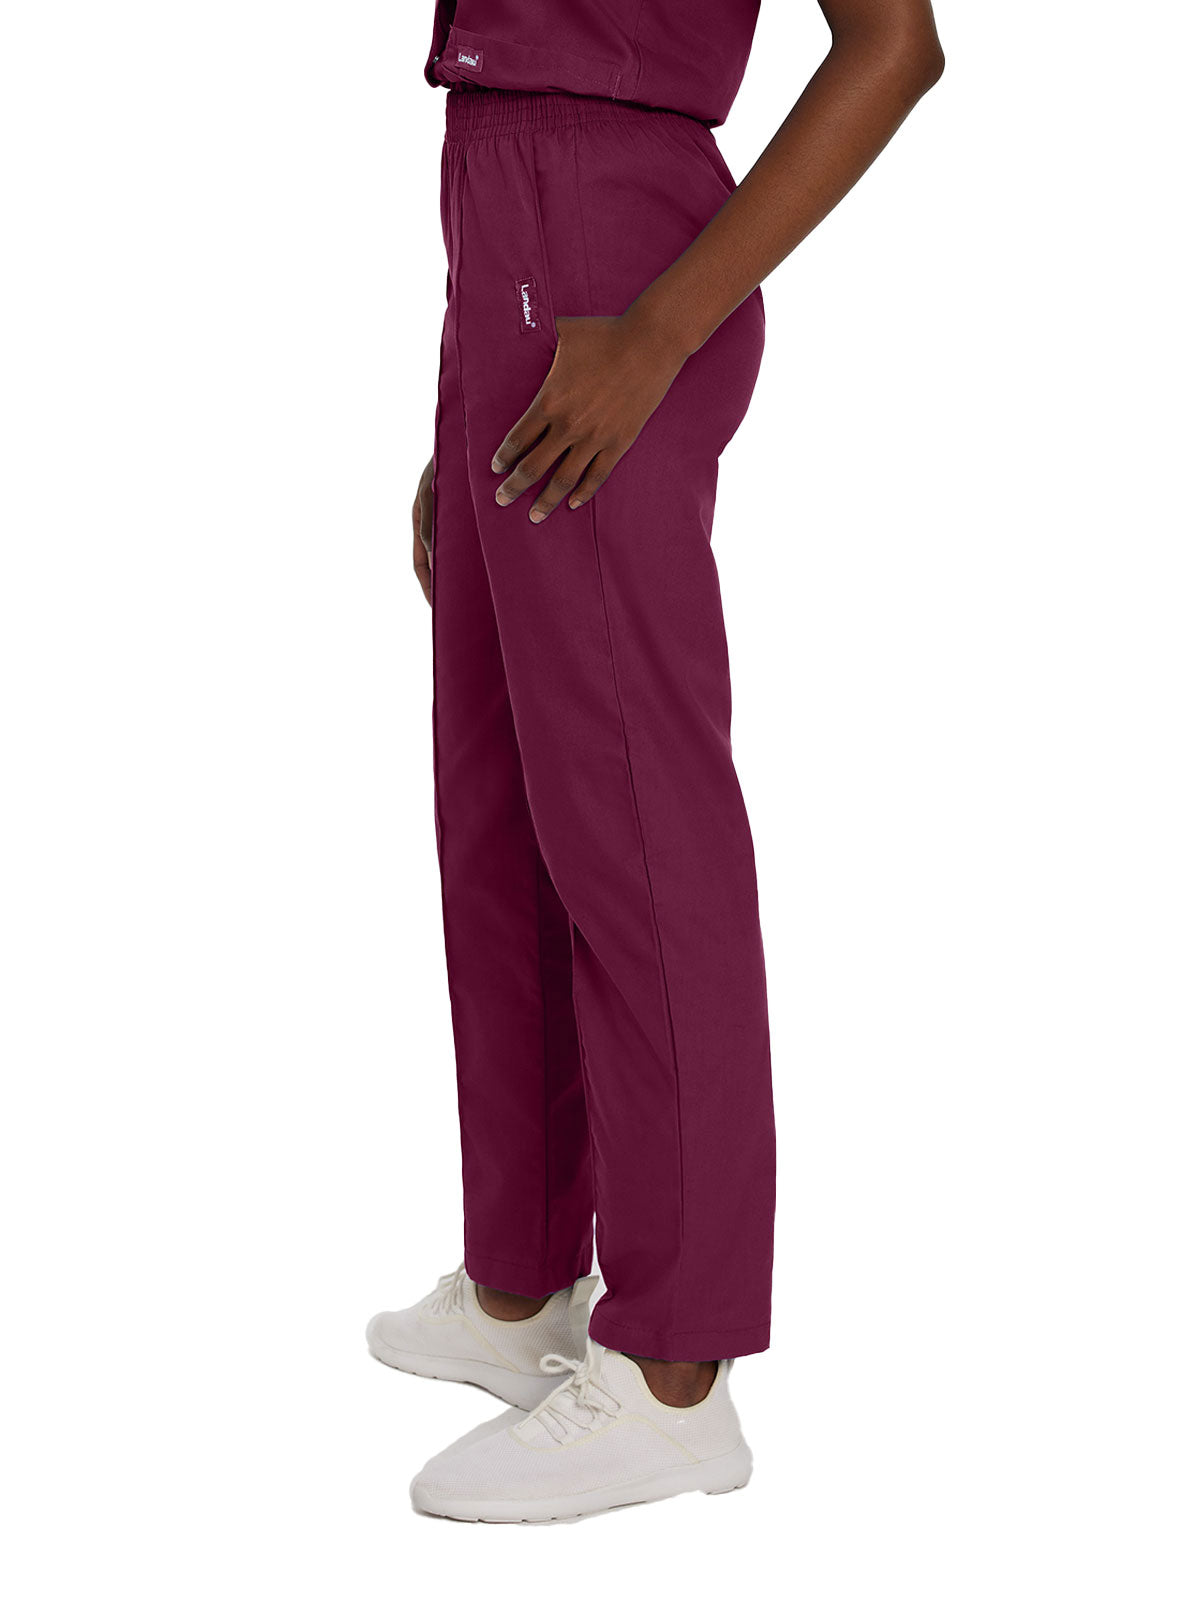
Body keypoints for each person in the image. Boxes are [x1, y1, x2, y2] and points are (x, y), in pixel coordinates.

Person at [368, 0, 944, 1522]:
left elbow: (896, 44)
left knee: (632, 816)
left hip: (611, 253)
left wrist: (658, 331)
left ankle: (678, 1369)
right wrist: (466, 395)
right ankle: (521, 1286)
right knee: (498, 802)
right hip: (501, 221)